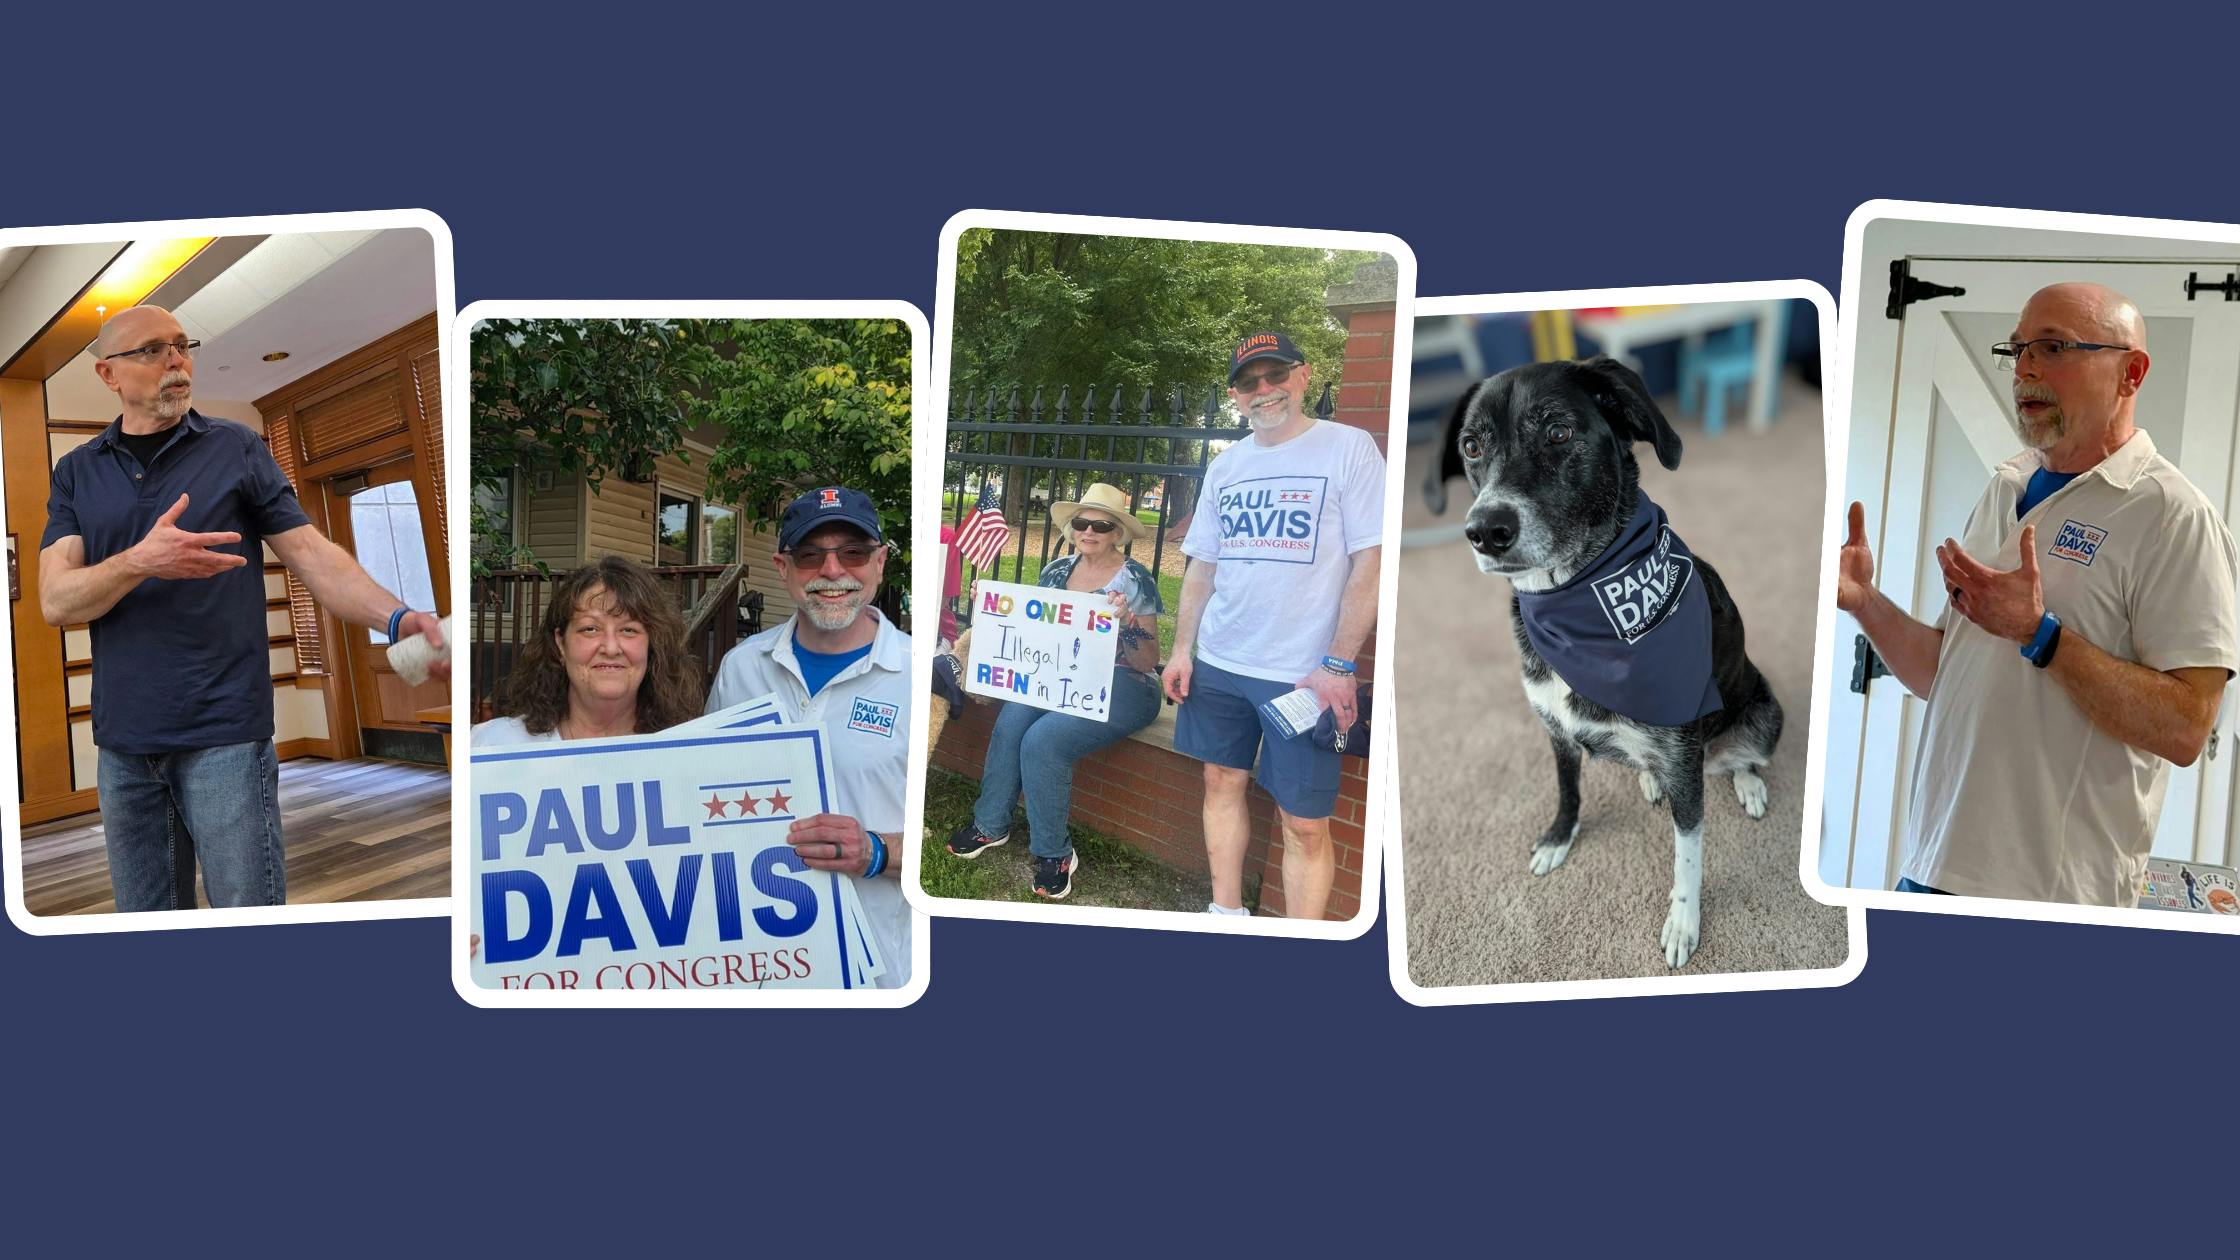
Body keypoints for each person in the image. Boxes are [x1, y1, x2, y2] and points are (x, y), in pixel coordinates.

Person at [1838, 282, 2238, 905]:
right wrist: (1865, 601)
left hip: (2050, 897)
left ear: (2130, 372)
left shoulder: (2173, 516)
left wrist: (2042, 636)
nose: (2024, 367)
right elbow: (1946, 673)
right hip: (1930, 865)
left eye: (2052, 347)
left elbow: (2187, 727)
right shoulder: (2005, 485)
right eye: (2018, 348)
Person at [38, 305, 447, 912]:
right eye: (152, 350)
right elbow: (54, 600)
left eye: (182, 345)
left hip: (224, 732)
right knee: (143, 924)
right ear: (109, 375)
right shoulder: (75, 472)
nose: (176, 360)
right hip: (124, 740)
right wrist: (139, 560)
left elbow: (310, 552)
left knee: (247, 913)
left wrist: (397, 617)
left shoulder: (237, 448)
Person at [1162, 331, 1385, 919]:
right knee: (1219, 783)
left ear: (1303, 376)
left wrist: (1339, 664)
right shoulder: (1227, 466)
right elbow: (1202, 568)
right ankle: (1226, 913)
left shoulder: (1349, 448)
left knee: (1305, 823)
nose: (1263, 390)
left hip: (1304, 676)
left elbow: (1372, 560)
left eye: (1275, 375)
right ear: (1234, 395)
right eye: (1248, 382)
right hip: (1221, 662)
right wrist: (1183, 649)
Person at [706, 486, 913, 987]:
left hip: (878, 969)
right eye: (810, 556)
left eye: (854, 553)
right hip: (753, 961)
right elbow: (704, 796)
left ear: (880, 562)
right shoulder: (742, 667)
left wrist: (879, 852)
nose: (833, 571)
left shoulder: (921, 674)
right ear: (783, 567)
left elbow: (956, 838)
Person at [944, 482, 1165, 898]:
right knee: (1012, 721)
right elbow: (1036, 633)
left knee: (1044, 742)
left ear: (1117, 531)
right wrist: (992, 607)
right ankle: (990, 823)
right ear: (1072, 527)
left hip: (1125, 684)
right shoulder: (1056, 571)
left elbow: (1148, 661)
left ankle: (1054, 853)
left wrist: (1128, 624)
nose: (1090, 531)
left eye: (1102, 524)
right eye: (1082, 522)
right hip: (1063, 678)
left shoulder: (1135, 579)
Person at [472, 554, 705, 746]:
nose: (611, 648)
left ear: (652, 644)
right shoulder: (492, 746)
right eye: (590, 629)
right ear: (560, 644)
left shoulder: (683, 753)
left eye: (629, 630)